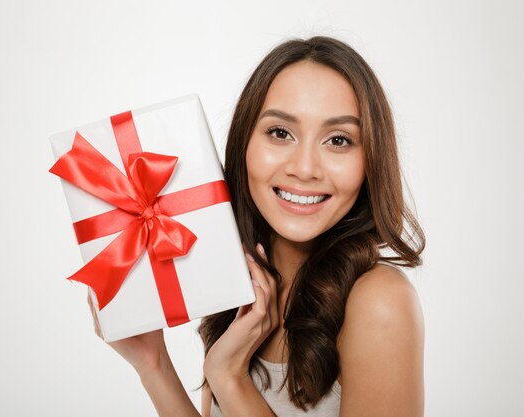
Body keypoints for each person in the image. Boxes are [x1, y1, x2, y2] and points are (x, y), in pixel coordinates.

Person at [88, 35, 426, 417]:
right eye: (280, 133)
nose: (304, 168)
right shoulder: (240, 286)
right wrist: (152, 364)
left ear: (370, 161)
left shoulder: (379, 301)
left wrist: (229, 375)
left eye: (338, 139)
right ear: (244, 144)